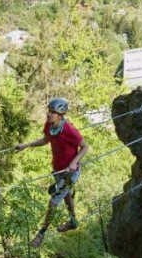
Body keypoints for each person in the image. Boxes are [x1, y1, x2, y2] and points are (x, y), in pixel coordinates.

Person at [15, 98, 89, 248]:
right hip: (58, 170)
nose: (49, 115)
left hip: (70, 172)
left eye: (53, 113)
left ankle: (41, 234)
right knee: (66, 195)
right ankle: (73, 221)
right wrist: (27, 145)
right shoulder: (49, 126)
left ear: (61, 115)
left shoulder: (69, 130)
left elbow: (85, 147)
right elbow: (45, 140)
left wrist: (74, 163)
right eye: (49, 111)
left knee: (54, 201)